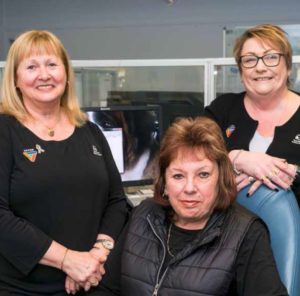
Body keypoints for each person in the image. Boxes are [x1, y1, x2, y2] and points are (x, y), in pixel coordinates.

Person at [0, 30, 130, 295]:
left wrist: (96, 255)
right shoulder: (5, 131)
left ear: (66, 74)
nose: (44, 75)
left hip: (92, 280)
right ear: (15, 79)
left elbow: (117, 201)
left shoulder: (89, 131)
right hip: (23, 288)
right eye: (31, 66)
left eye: (51, 64)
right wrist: (67, 260)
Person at [98, 116, 288, 295]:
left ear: (220, 179)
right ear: (164, 182)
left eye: (203, 175)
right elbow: (105, 289)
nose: (189, 188)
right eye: (178, 176)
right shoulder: (143, 214)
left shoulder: (247, 234)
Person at [204, 24, 300, 204]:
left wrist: (293, 174)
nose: (260, 67)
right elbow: (189, 152)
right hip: (226, 226)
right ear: (241, 72)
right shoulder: (222, 108)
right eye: (249, 60)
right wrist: (236, 158)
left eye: (271, 57)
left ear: (288, 67)